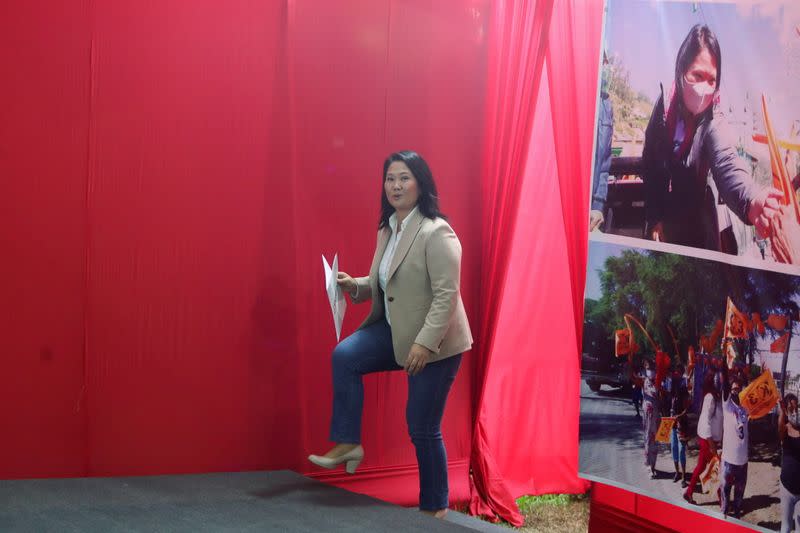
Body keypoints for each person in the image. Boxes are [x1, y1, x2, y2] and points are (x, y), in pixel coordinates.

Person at [307, 151, 473, 519]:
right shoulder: (388, 228)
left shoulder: (436, 231)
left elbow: (447, 295)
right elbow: (391, 282)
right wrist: (357, 286)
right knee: (345, 356)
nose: (395, 186)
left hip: (437, 342)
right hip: (398, 329)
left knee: (422, 427)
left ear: (420, 182)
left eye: (404, 178)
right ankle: (349, 442)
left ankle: (435, 509)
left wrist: (424, 344)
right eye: (389, 179)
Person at [641, 24, 782, 252]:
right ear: (681, 70)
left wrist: (753, 200)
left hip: (695, 227)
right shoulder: (664, 107)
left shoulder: (714, 119)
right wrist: (654, 217)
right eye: (698, 75)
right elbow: (650, 165)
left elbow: (727, 162)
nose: (705, 88)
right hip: (659, 224)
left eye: (711, 80)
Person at [684, 370, 722, 504]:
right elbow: (705, 421)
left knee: (701, 466)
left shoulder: (717, 397)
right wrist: (712, 444)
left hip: (712, 439)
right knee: (716, 468)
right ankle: (722, 501)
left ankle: (689, 492)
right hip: (708, 439)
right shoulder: (710, 397)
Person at [718, 368, 750, 518]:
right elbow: (724, 385)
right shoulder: (727, 405)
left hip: (743, 462)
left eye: (739, 388)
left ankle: (736, 518)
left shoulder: (746, 409)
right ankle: (723, 520)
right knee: (725, 499)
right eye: (734, 389)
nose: (737, 391)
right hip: (728, 462)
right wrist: (724, 360)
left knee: (739, 498)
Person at [590, 52, 614, 232]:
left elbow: (605, 163)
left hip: (591, 212)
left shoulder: (606, 105)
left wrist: (598, 206)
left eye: (606, 61)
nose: (606, 65)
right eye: (603, 60)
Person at [631, 358, 660, 478]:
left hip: (657, 414)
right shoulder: (644, 381)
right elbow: (633, 378)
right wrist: (630, 360)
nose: (651, 371)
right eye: (648, 368)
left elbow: (663, 396)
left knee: (656, 439)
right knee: (648, 438)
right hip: (648, 415)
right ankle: (649, 466)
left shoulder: (659, 380)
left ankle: (653, 465)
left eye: (652, 368)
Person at [665, 363, 690, 487]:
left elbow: (686, 409)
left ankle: (684, 477)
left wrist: (679, 416)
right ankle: (677, 473)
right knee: (674, 449)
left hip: (682, 425)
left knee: (681, 451)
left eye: (678, 374)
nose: (675, 377)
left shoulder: (684, 391)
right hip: (672, 424)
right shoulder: (671, 392)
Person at [778, 393, 800, 533]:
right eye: (791, 409)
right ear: (786, 410)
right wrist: (781, 412)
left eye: (796, 408)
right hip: (786, 488)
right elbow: (780, 429)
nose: (794, 411)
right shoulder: (785, 429)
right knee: (786, 527)